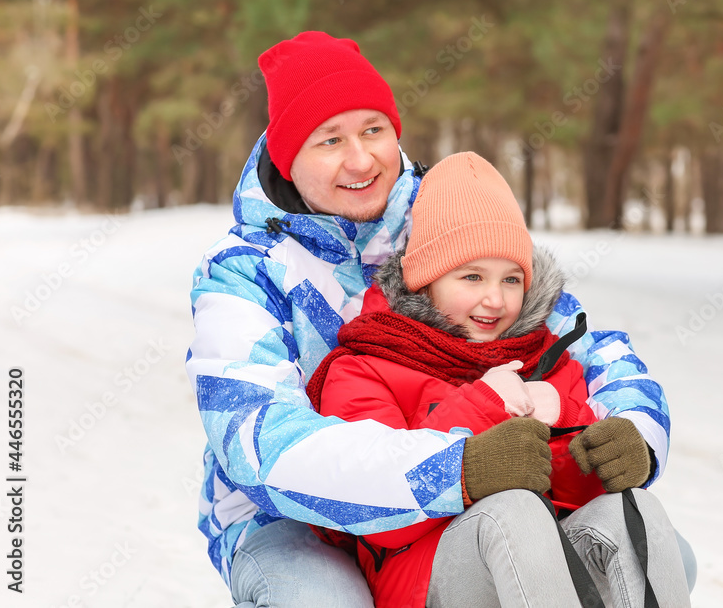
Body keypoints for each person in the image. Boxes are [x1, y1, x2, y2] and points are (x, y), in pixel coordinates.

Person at [186, 31, 689, 607]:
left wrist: (636, 436)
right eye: (329, 140)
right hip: (286, 513)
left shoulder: (445, 213)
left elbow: (579, 346)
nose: (360, 159)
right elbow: (260, 445)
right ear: (287, 156)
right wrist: (454, 470)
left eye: (373, 131)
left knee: (652, 552)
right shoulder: (244, 271)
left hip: (471, 492)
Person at [306, 151, 692, 608]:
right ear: (426, 280)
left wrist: (574, 428)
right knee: (514, 511)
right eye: (472, 276)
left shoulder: (543, 356)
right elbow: (373, 509)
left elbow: (574, 498)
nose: (495, 299)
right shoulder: (365, 364)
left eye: (511, 280)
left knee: (637, 513)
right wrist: (485, 407)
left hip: (542, 569)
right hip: (424, 575)